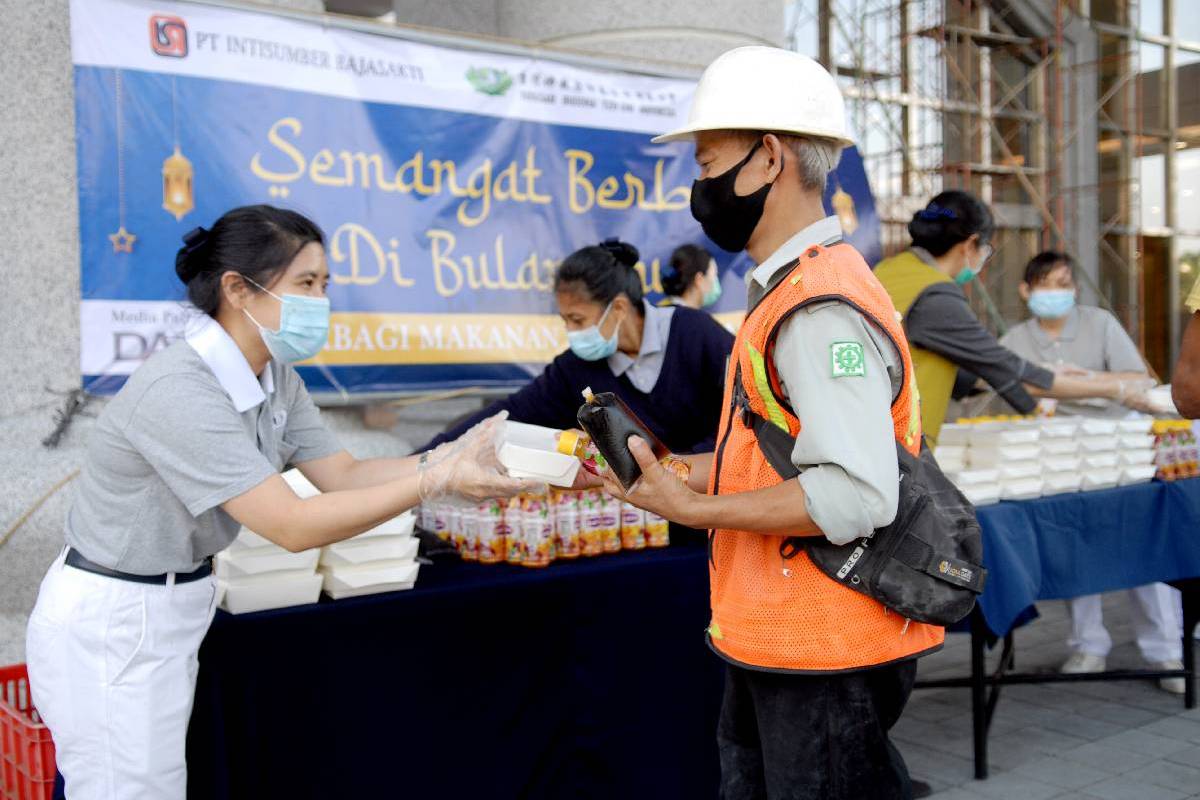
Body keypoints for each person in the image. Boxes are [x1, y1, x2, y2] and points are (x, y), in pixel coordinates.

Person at [25, 205, 533, 797]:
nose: (321, 301)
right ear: (237, 289)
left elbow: (343, 475)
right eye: (306, 284)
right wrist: (434, 481)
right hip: (115, 615)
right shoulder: (180, 389)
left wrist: (445, 455)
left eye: (325, 284)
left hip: (177, 602)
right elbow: (290, 524)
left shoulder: (273, 376)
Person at [604, 46, 938, 799]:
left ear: (769, 159)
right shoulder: (790, 291)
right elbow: (780, 461)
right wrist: (674, 473)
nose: (698, 186)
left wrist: (695, 508)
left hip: (822, 648)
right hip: (782, 641)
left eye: (706, 161)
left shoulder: (817, 308)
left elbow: (855, 495)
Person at [1002, 251, 1183, 692]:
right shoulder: (1015, 339)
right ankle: (1088, 645)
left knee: (1143, 545)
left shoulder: (1099, 322)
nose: (1057, 293)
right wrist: (1098, 385)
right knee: (1077, 546)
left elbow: (1138, 379)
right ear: (1026, 291)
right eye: (1047, 284)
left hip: (1120, 447)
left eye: (1065, 283)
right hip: (1060, 452)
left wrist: (1072, 382)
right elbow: (1008, 383)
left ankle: (1166, 651)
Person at [873, 190, 1151, 446]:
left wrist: (1047, 372)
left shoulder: (888, 271)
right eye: (986, 248)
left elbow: (969, 371)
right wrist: (1113, 389)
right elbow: (1008, 371)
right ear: (970, 244)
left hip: (877, 428)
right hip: (899, 440)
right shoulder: (936, 295)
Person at [420, 238, 734, 456]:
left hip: (717, 507)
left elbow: (746, 414)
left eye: (578, 319)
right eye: (565, 320)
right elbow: (511, 413)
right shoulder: (575, 369)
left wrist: (682, 469)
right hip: (640, 522)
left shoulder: (694, 333)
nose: (571, 331)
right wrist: (431, 456)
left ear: (620, 308)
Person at [659, 243, 723, 309]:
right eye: (715, 274)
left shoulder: (657, 315)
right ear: (699, 279)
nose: (715, 281)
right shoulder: (698, 318)